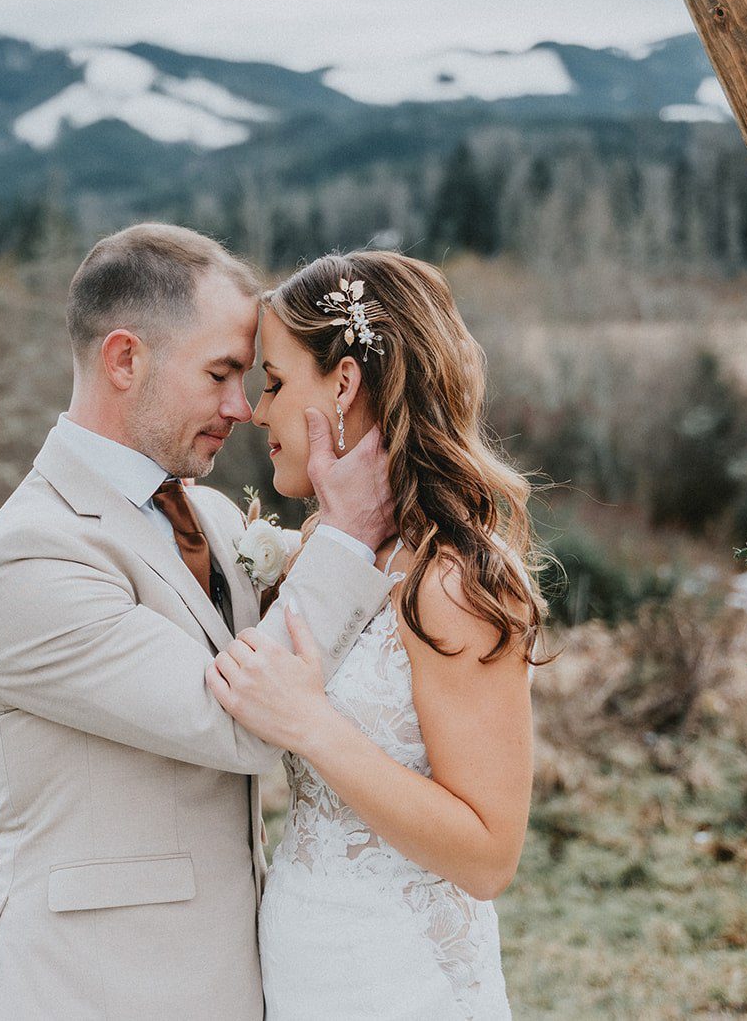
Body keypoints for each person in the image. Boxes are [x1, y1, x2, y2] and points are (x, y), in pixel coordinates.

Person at [0, 223, 399, 1021]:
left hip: (230, 979)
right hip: (87, 991)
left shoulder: (217, 519)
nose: (242, 408)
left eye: (249, 378)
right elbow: (245, 722)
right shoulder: (33, 555)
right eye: (221, 373)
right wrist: (349, 535)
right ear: (125, 360)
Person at [208, 250, 550, 1020]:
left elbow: (489, 855)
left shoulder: (454, 580)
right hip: (302, 959)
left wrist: (315, 728)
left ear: (344, 384)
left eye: (274, 382)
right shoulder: (331, 553)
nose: (257, 411)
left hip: (402, 979)